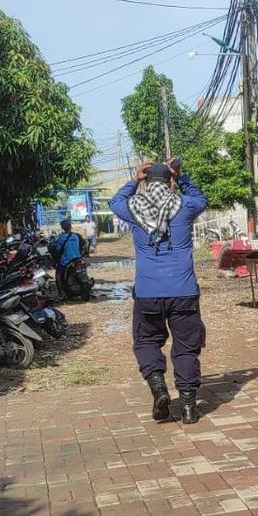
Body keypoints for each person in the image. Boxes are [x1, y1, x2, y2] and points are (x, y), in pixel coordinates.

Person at [110, 159, 209, 424]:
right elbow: (200, 198)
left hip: (147, 293)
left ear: (145, 182)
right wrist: (183, 176)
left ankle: (159, 388)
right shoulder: (185, 206)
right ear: (170, 181)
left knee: (146, 342)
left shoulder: (133, 208)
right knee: (186, 348)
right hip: (184, 291)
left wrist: (134, 179)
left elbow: (114, 202)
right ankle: (189, 407)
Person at [50, 218, 83, 297]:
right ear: (70, 226)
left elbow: (57, 249)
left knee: (58, 274)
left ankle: (60, 293)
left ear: (62, 228)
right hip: (78, 258)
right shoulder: (76, 236)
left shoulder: (61, 238)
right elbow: (82, 245)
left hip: (66, 260)